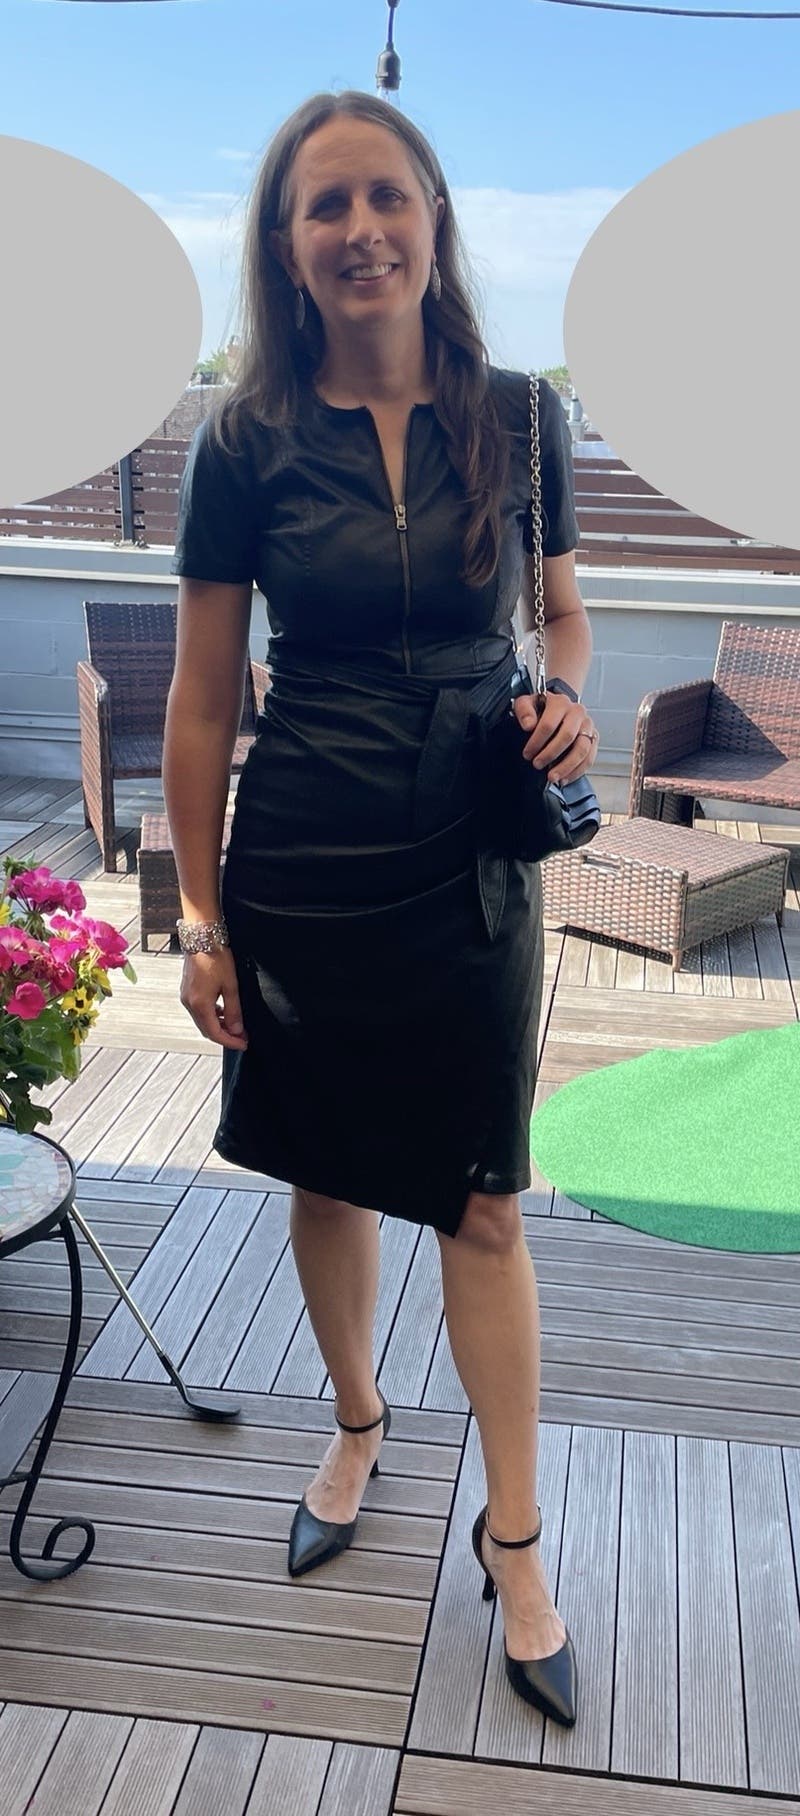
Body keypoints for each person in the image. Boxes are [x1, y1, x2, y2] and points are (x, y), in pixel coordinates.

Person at [164, 89, 598, 1730]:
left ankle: (517, 1538)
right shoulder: (243, 441)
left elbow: (563, 618)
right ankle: (356, 1422)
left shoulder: (524, 417)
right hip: (306, 850)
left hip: (471, 849)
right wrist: (202, 916)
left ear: (433, 218)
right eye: (324, 205)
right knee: (328, 1166)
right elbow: (202, 697)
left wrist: (566, 701)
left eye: (386, 197)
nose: (361, 231)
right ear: (286, 247)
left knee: (485, 1201)